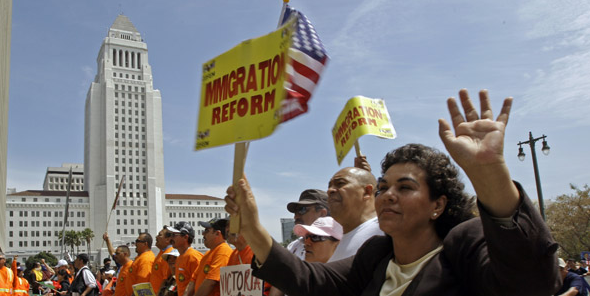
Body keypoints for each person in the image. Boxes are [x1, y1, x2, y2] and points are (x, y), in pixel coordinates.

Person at [225, 89, 561, 295]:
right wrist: (253, 227)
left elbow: (530, 284)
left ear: (438, 204)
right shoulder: (375, 256)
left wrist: (490, 174)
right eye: (384, 187)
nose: (387, 195)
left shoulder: (463, 245)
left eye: (405, 187)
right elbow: (310, 280)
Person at [327, 166, 384, 262]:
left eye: (340, 183)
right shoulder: (338, 244)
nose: (329, 191)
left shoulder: (387, 231)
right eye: (329, 186)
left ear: (367, 192)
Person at [183, 217, 232, 296]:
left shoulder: (223, 251)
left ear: (217, 234)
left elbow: (211, 282)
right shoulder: (208, 253)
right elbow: (193, 280)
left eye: (207, 230)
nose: (203, 233)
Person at [285, 189, 329, 260]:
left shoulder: (339, 246)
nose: (296, 216)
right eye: (295, 212)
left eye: (302, 209)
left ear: (322, 213)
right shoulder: (293, 247)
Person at [166, 221, 203, 296]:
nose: (171, 238)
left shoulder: (193, 257)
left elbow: (200, 285)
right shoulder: (180, 257)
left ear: (185, 237)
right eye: (170, 235)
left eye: (174, 235)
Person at [150, 228, 175, 293]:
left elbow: (165, 279)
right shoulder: (162, 252)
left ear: (167, 239)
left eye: (159, 235)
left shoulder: (169, 255)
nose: (156, 237)